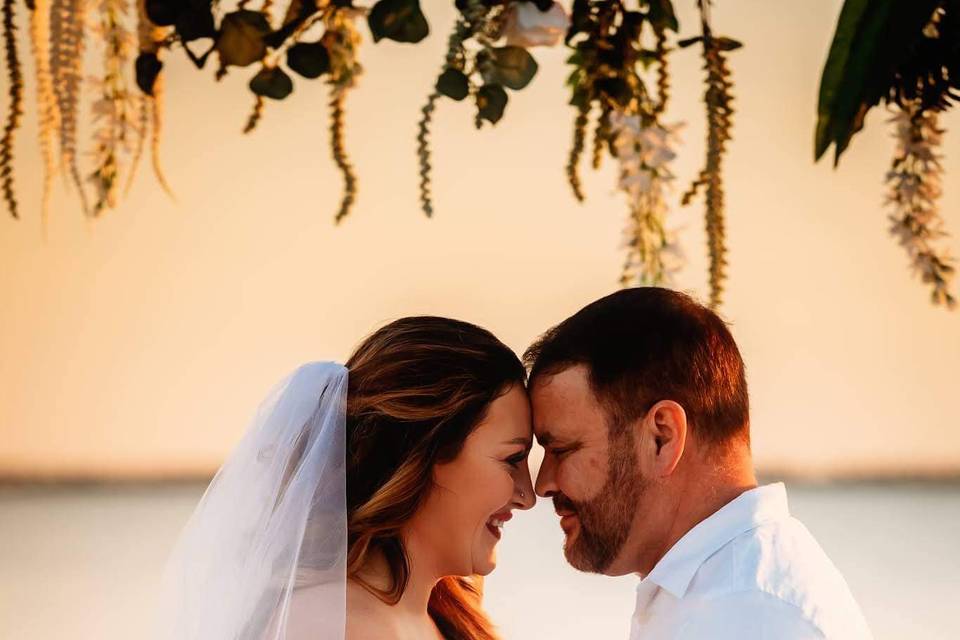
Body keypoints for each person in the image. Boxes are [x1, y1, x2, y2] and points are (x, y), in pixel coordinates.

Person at [524, 287, 873, 639]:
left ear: (662, 437)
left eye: (562, 449)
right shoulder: (719, 596)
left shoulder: (750, 615)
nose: (543, 484)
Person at [157, 316, 535, 640]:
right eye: (512, 459)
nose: (527, 495)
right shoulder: (321, 622)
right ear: (424, 453)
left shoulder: (442, 619)